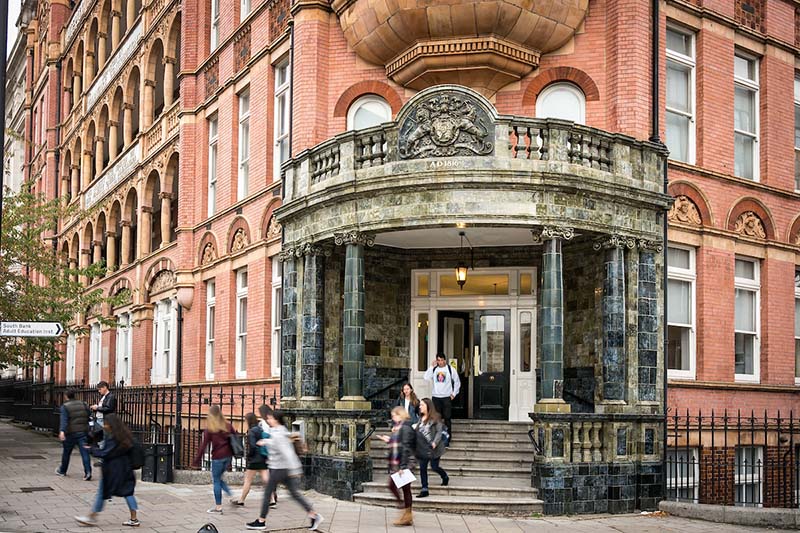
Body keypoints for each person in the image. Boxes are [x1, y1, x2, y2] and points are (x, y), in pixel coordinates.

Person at [246, 410, 323, 531]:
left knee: (267, 494)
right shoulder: (279, 430)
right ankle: (314, 515)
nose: (268, 420)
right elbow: (277, 442)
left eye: (270, 418)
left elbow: (287, 452)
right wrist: (265, 441)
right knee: (294, 494)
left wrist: (295, 469)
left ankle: (261, 521)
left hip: (279, 468)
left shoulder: (279, 433)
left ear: (276, 420)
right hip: (283, 468)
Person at [74, 414, 140, 527]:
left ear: (111, 425)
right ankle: (134, 519)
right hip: (125, 469)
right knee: (128, 492)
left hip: (113, 470)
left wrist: (91, 449)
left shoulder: (113, 438)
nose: (104, 426)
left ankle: (91, 517)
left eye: (106, 424)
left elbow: (105, 453)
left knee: (102, 492)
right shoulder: (125, 435)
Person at [192, 405, 236, 514]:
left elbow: (203, 446)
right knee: (219, 479)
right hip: (228, 457)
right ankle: (231, 494)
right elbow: (235, 438)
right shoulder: (228, 426)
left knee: (216, 481)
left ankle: (218, 507)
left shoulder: (210, 429)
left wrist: (197, 459)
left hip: (217, 457)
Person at [377, 406, 416, 526]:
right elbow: (398, 443)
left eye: (394, 415)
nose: (393, 418)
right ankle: (407, 514)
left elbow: (405, 447)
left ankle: (405, 512)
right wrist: (389, 440)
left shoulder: (405, 427)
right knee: (405, 489)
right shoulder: (399, 427)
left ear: (401, 415)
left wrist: (403, 467)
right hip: (398, 463)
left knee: (395, 486)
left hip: (403, 464)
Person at [230, 412, 276, 508]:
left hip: (254, 460)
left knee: (248, 480)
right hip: (263, 457)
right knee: (266, 480)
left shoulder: (251, 431)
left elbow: (252, 446)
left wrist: (249, 456)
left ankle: (241, 500)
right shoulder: (260, 429)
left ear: (248, 421)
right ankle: (272, 500)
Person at [414, 398, 448, 499]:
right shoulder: (420, 418)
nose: (420, 407)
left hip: (434, 447)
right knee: (422, 468)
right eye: (420, 405)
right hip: (423, 447)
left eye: (422, 405)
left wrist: (434, 443)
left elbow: (439, 432)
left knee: (434, 467)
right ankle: (424, 489)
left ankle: (444, 476)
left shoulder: (436, 417)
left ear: (428, 406)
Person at [423, 353, 460, 445]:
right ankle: (436, 439)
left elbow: (457, 382)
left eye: (442, 360)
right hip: (436, 397)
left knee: (447, 418)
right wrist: (431, 366)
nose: (440, 362)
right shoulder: (434, 369)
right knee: (436, 419)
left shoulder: (450, 369)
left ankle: (447, 439)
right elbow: (426, 377)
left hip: (446, 397)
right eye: (438, 360)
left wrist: (454, 394)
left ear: (445, 360)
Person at [55, 389, 93, 481]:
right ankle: (88, 472)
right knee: (85, 453)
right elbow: (89, 415)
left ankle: (62, 470)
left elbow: (64, 420)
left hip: (70, 433)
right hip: (83, 432)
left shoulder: (65, 406)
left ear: (66, 396)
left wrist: (62, 431)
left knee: (66, 453)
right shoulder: (83, 404)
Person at [90, 381, 117, 446]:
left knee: (104, 436)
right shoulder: (104, 396)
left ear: (105, 387)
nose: (99, 391)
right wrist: (96, 407)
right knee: (100, 436)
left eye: (100, 389)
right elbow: (104, 407)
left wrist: (97, 408)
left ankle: (103, 449)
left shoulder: (110, 396)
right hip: (100, 419)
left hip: (104, 420)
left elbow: (108, 408)